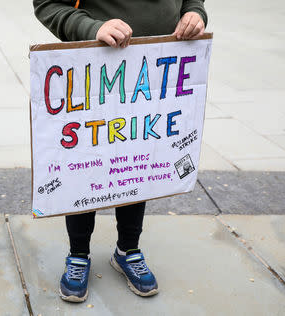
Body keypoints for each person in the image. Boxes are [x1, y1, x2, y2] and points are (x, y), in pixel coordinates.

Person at [33, 0, 208, 302]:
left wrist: (194, 11)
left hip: (157, 67)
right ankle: (78, 254)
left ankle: (127, 249)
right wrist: (91, 28)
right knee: (86, 164)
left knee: (138, 159)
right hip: (95, 67)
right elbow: (48, 4)